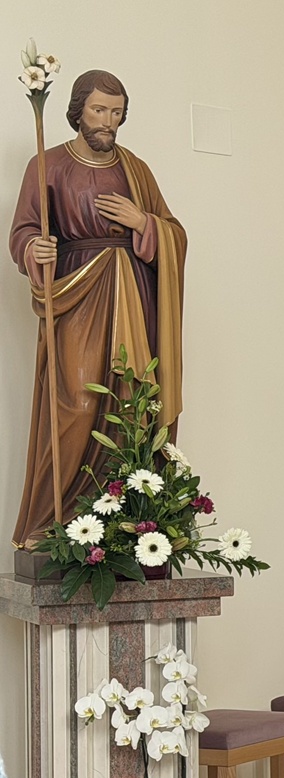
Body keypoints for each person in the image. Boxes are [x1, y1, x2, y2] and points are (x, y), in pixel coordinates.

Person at [8, 69, 187, 546]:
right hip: (79, 296)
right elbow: (23, 230)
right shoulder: (47, 165)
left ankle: (126, 527)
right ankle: (53, 524)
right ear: (78, 111)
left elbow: (174, 234)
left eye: (116, 112)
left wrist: (144, 223)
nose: (108, 120)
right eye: (99, 110)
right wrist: (34, 249)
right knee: (77, 404)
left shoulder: (136, 169)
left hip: (133, 296)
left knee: (132, 403)